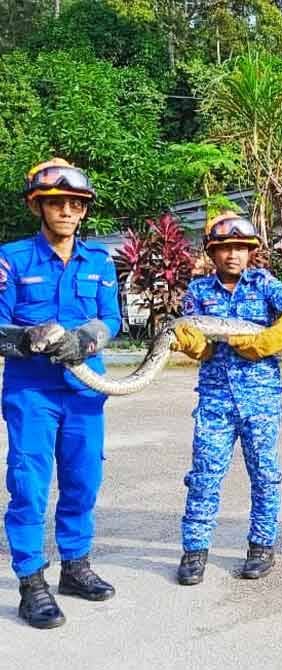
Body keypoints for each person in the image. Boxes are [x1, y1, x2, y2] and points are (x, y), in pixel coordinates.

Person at [0, 159, 120, 628]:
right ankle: (32, 582)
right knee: (29, 487)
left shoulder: (100, 262)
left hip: (86, 393)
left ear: (83, 211)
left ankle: (76, 566)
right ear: (38, 206)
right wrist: (26, 339)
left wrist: (85, 340)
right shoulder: (11, 258)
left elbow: (112, 319)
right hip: (33, 393)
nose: (66, 210)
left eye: (75, 203)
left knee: (83, 482)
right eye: (56, 203)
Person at [171, 211, 282, 586]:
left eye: (240, 247)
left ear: (251, 252)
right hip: (215, 401)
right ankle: (194, 552)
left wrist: (271, 339)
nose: (233, 255)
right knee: (204, 477)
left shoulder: (264, 283)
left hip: (261, 400)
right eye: (224, 248)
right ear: (211, 253)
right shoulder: (199, 292)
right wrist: (194, 345)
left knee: (265, 476)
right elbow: (195, 341)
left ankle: (261, 547)